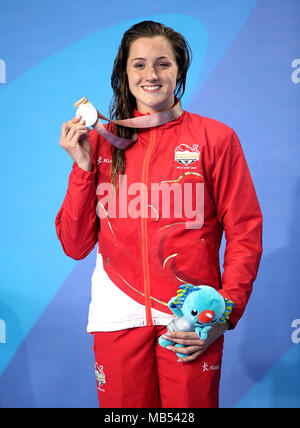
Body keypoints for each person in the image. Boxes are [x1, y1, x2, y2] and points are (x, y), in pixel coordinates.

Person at [55, 21, 263, 408]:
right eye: (139, 65)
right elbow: (74, 244)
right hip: (117, 316)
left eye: (163, 63)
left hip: (189, 318)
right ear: (124, 71)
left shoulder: (215, 139)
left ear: (179, 70)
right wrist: (83, 169)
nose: (151, 75)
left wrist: (221, 314)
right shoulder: (101, 140)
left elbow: (245, 232)